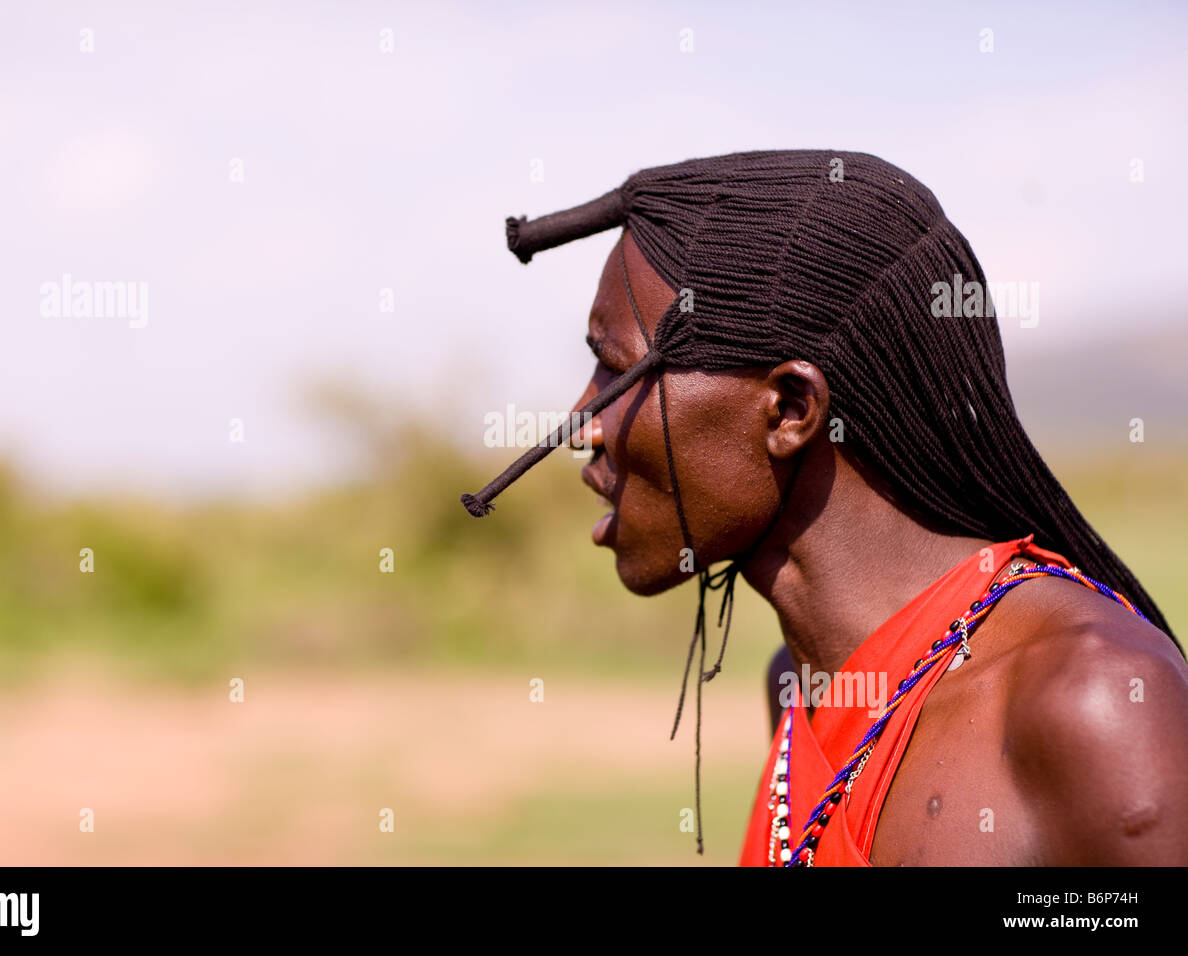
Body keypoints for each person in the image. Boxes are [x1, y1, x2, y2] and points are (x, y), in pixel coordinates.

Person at [461, 150, 1188, 865]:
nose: (584, 424)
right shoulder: (797, 685)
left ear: (790, 409)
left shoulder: (1094, 703)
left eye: (617, 370)